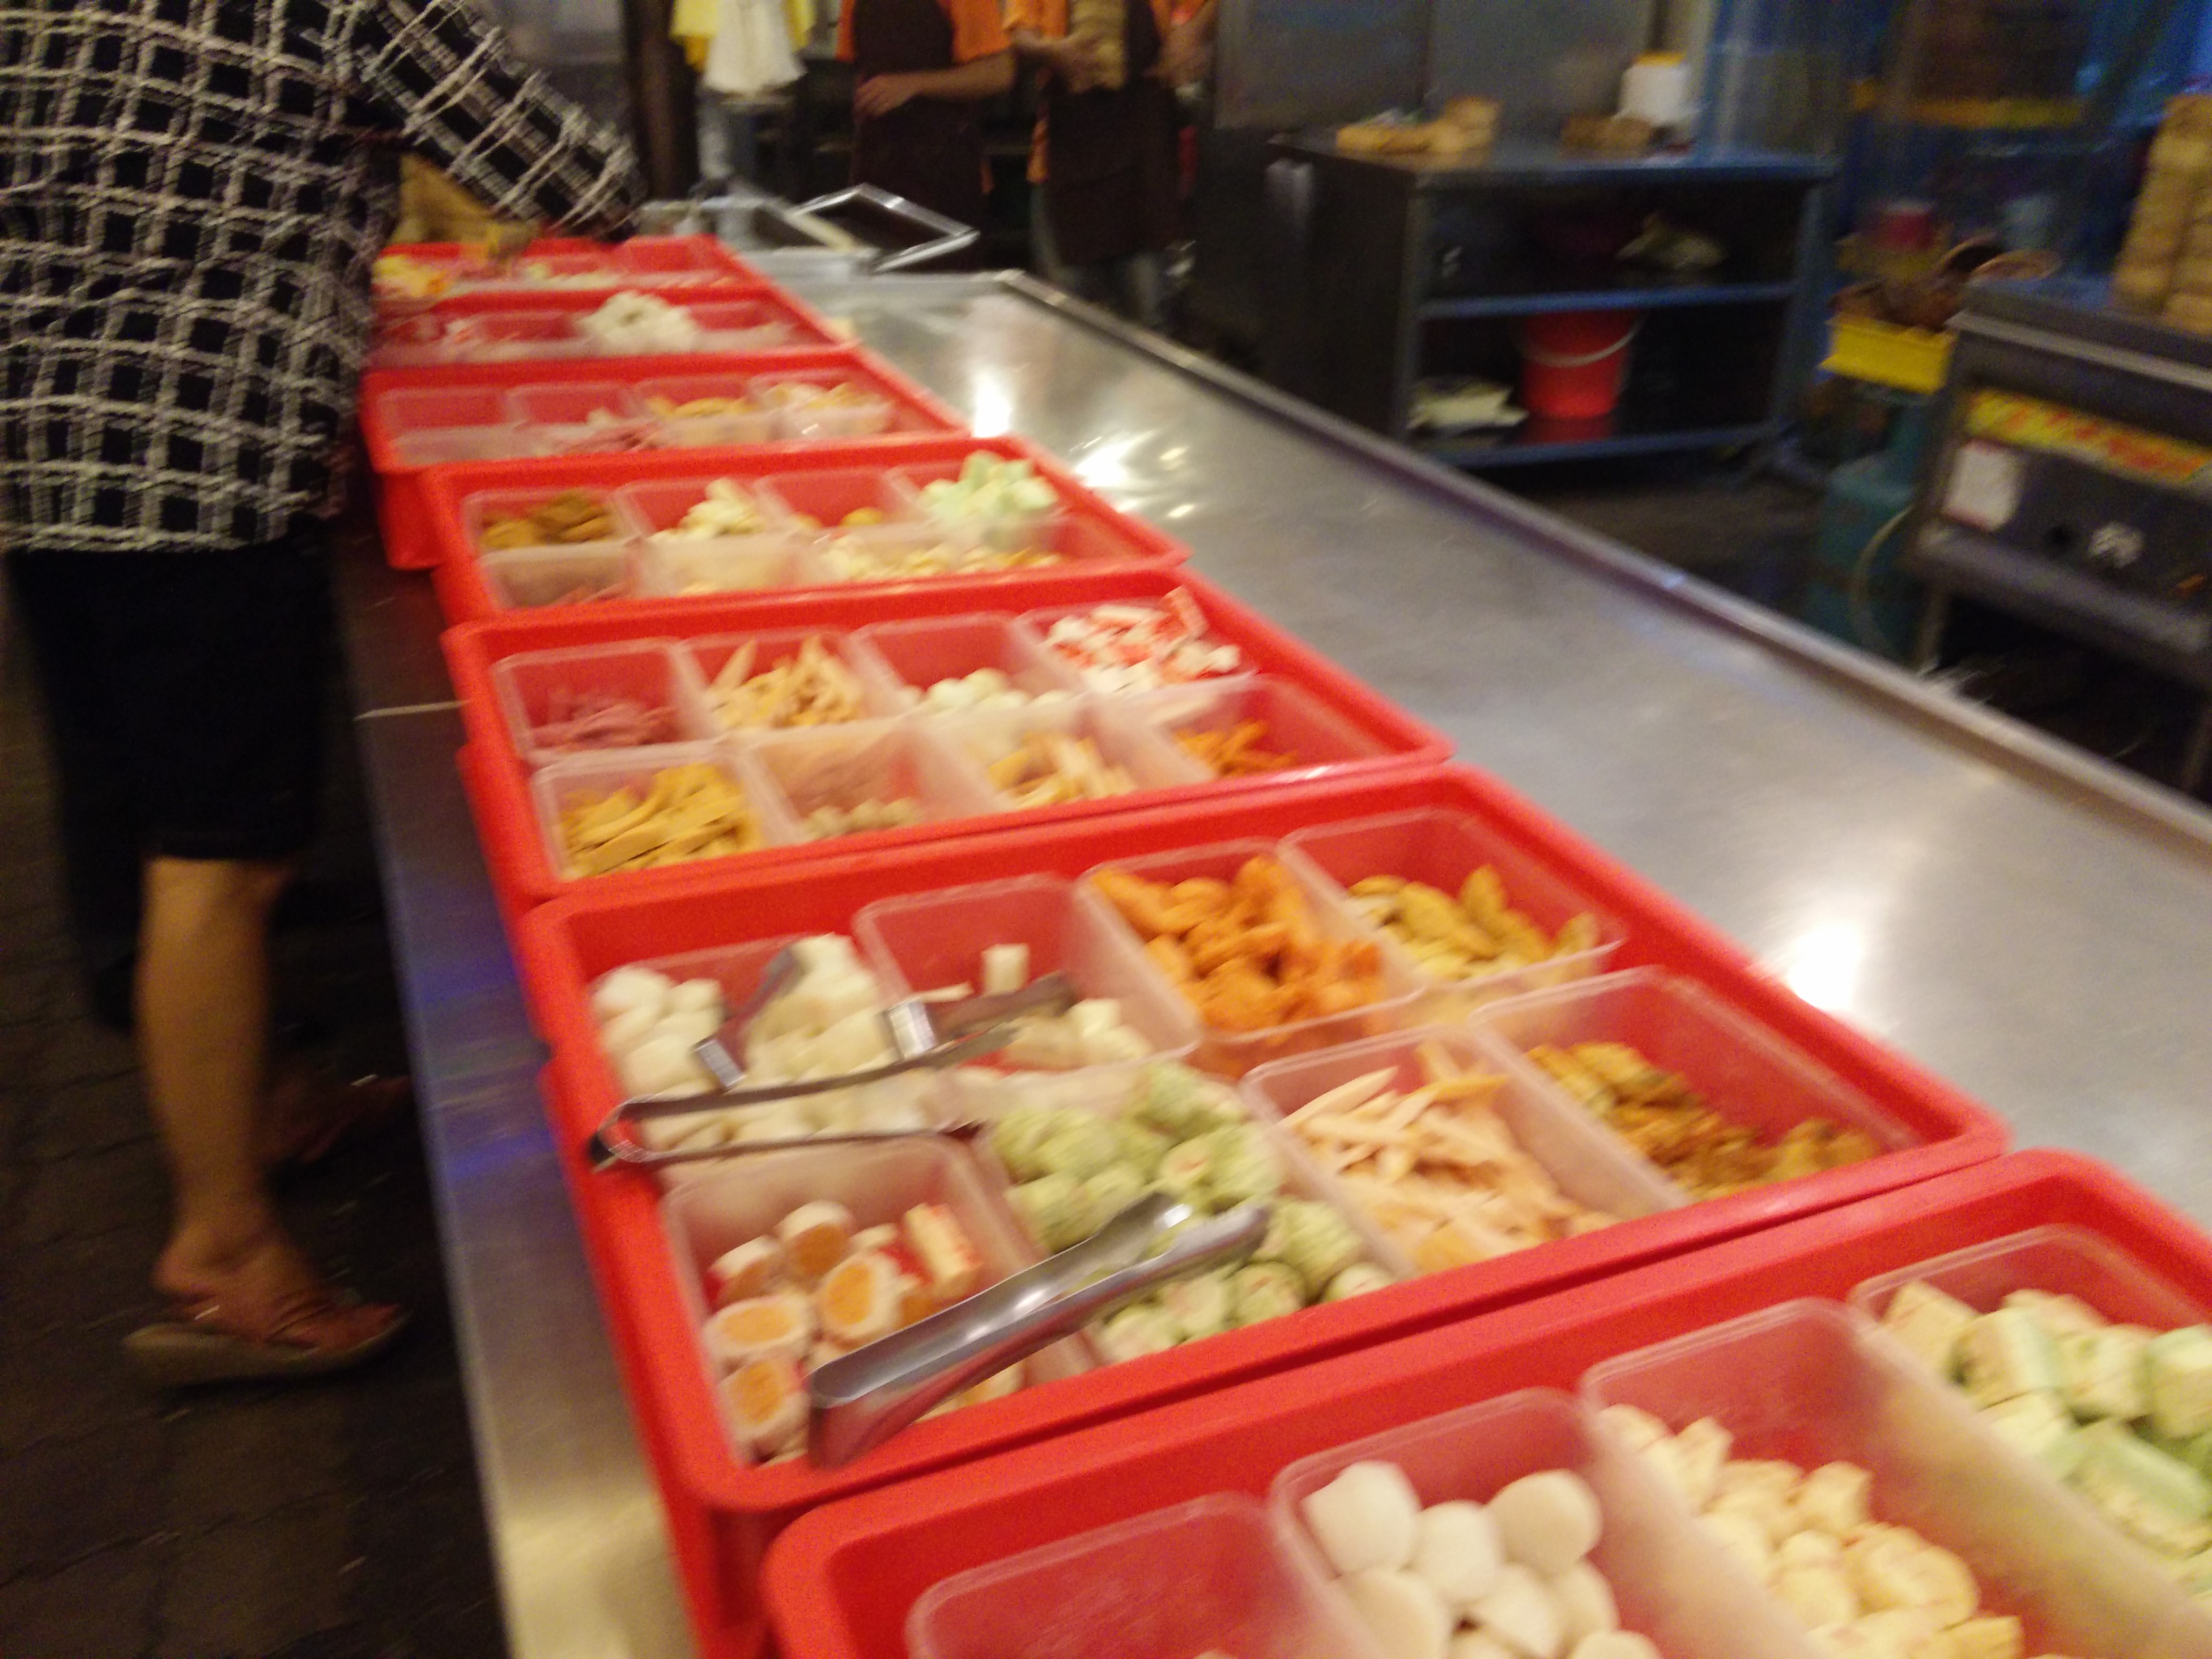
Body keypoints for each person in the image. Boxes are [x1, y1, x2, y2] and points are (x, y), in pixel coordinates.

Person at [0, 0, 640, 1385]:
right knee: (221, 860)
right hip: (196, 471)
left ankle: (272, 1101)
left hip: (42, 449)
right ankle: (224, 1250)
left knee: (141, 812)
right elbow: (579, 179)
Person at [1006, 0, 1184, 328]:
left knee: (1149, 327)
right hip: (1064, 166)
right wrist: (1051, 51)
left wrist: (1193, 35)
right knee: (1065, 323)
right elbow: (1017, 35)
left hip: (1142, 168)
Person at [836, 0, 1016, 229]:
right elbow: (863, 68)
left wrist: (914, 84)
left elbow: (999, 72)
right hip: (875, 172)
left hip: (945, 173)